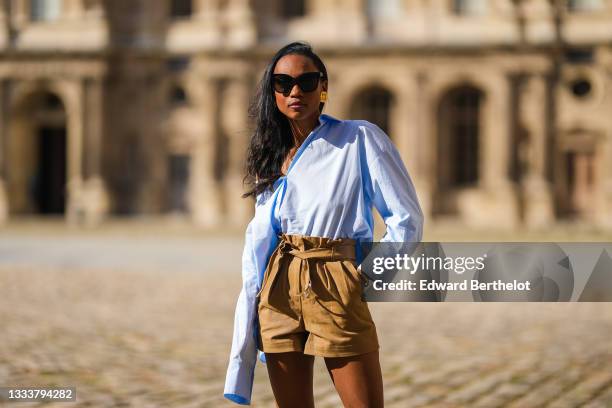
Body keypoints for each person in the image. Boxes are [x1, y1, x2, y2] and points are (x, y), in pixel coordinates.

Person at [223, 41, 424, 407]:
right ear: (273, 93)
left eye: (307, 81)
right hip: (278, 286)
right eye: (283, 83)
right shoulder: (269, 154)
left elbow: (406, 219)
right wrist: (253, 301)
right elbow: (257, 238)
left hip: (335, 277)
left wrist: (363, 278)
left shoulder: (359, 138)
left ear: (324, 88)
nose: (295, 91)